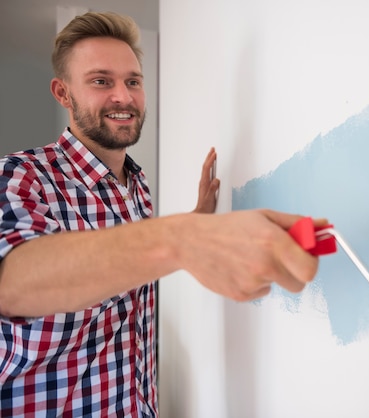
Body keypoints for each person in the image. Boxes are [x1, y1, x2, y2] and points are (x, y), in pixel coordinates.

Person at [0, 11, 324, 416]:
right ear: (63, 93)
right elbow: (10, 282)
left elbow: (132, 265)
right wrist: (181, 236)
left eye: (133, 81)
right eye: (101, 81)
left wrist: (196, 217)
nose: (124, 97)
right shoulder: (21, 174)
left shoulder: (138, 186)